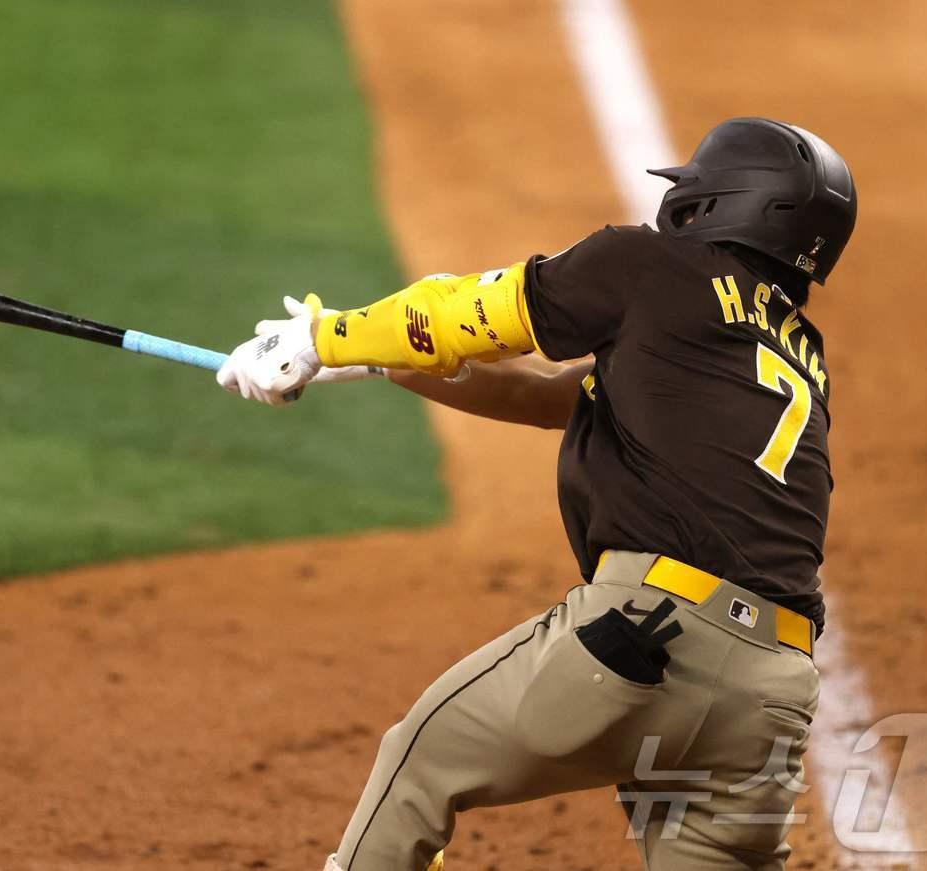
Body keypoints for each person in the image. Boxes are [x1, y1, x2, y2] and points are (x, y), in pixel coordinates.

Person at [217, 117, 857, 871]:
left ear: (715, 202)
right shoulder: (790, 355)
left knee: (417, 763)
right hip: (769, 696)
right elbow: (553, 399)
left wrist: (326, 337)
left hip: (646, 641)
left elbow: (467, 313)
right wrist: (377, 362)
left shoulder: (646, 267)